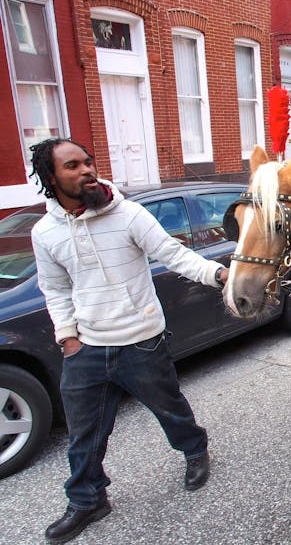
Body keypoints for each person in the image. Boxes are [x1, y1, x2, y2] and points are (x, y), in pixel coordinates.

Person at [29, 138, 229, 544]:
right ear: (51, 177)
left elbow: (173, 254)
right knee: (84, 431)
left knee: (170, 408)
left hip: (141, 341)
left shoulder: (128, 215)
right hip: (86, 347)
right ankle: (87, 499)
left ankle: (194, 450)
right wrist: (68, 338)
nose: (86, 170)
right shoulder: (45, 232)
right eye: (73, 165)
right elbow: (55, 289)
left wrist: (219, 275)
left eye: (88, 162)